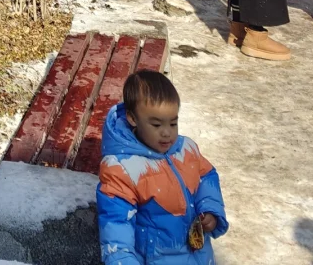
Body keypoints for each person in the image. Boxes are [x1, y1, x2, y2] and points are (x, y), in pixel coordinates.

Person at [98, 68, 228, 264]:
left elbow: (206, 176)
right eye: (157, 125)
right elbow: (116, 230)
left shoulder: (186, 150)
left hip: (199, 256)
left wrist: (209, 208)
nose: (167, 133)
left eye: (173, 123)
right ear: (133, 118)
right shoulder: (121, 169)